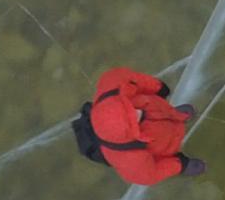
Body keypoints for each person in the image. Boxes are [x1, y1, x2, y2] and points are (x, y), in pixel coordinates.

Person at [72, 66, 206, 184]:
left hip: (159, 109)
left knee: (153, 109)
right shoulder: (127, 157)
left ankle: (175, 115)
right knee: (160, 136)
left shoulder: (113, 86)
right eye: (134, 119)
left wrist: (157, 87)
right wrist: (179, 165)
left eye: (131, 108)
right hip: (165, 144)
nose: (138, 112)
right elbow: (150, 175)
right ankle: (181, 163)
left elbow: (131, 78)